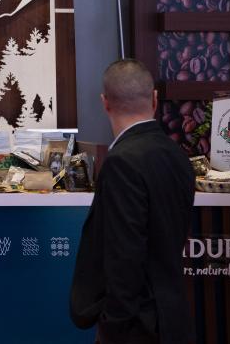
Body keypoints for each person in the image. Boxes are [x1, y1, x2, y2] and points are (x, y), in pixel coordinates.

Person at [69, 59, 194, 344]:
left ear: (105, 103)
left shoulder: (121, 162)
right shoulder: (177, 155)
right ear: (155, 99)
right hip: (174, 318)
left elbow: (124, 257)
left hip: (137, 326)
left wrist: (113, 326)